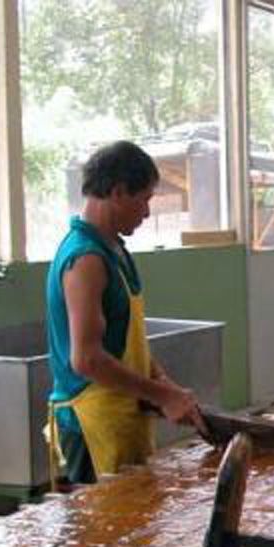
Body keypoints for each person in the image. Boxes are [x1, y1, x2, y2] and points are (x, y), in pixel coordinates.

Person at [45, 140, 206, 487]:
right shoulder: (85, 259)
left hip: (122, 416)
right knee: (100, 521)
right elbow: (87, 360)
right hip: (92, 426)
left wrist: (165, 384)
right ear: (118, 192)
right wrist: (161, 396)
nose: (147, 213)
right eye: (144, 199)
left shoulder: (115, 249)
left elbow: (127, 342)